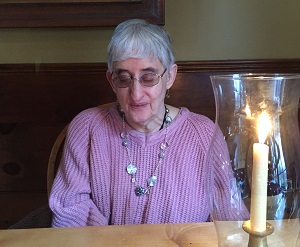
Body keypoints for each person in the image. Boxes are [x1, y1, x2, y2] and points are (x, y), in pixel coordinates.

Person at [49, 19, 249, 227]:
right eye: (124, 78)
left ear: (169, 76)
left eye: (148, 77)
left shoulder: (204, 135)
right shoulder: (87, 128)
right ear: (111, 81)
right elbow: (71, 212)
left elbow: (228, 217)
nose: (136, 94)